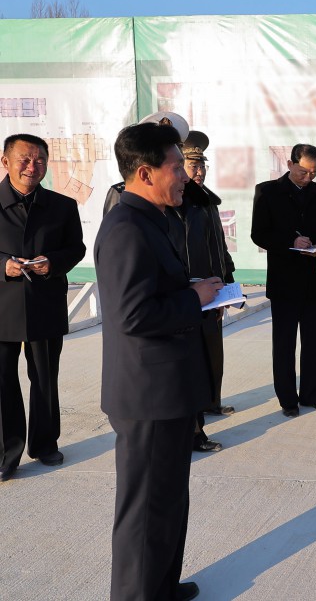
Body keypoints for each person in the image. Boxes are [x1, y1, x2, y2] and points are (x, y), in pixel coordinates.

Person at [95, 122, 223, 601]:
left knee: (168, 501)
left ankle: (160, 587)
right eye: (176, 167)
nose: (185, 176)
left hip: (167, 390)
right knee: (144, 510)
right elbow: (132, 314)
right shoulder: (127, 227)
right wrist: (194, 299)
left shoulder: (151, 217)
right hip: (147, 395)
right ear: (145, 172)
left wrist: (200, 295)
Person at [0, 134, 85, 482]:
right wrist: (2, 266)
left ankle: (46, 444)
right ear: (5, 162)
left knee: (45, 378)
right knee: (2, 382)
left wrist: (52, 262)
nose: (31, 167)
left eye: (39, 160)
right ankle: (7, 453)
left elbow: (76, 248)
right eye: (24, 159)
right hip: (2, 306)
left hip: (45, 304)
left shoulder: (62, 206)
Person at [251, 144, 316, 417]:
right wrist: (290, 241)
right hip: (284, 279)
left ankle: (311, 394)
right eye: (302, 172)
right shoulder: (267, 191)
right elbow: (259, 233)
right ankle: (287, 399)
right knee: (284, 343)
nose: (308, 177)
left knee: (313, 340)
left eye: (313, 172)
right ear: (289, 164)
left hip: (313, 278)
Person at [176, 130, 237, 453]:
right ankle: (195, 431)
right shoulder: (176, 203)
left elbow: (219, 247)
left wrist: (227, 281)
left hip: (213, 291)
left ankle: (211, 402)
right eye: (192, 165)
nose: (198, 172)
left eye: (202, 166)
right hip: (190, 295)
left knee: (212, 354)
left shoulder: (206, 201)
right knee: (193, 363)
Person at [103, 111, 189, 216]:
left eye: (178, 146)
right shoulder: (129, 225)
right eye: (176, 167)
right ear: (145, 174)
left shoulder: (186, 194)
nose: (186, 178)